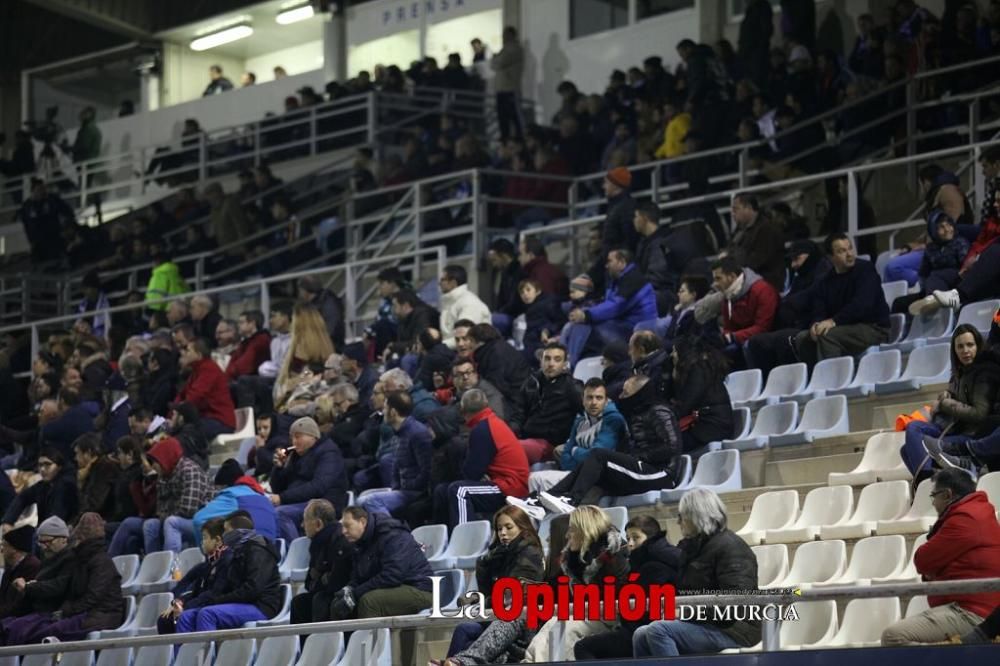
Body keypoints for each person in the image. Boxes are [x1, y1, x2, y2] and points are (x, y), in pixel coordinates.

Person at [444, 505, 628, 666]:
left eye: (571, 530)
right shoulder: (571, 559)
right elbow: (553, 590)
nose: (567, 535)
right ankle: (465, 661)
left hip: (605, 614)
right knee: (526, 616)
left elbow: (616, 594)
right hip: (572, 611)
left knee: (562, 625)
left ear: (584, 530)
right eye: (499, 528)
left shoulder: (612, 556)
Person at [525, 374, 681, 517]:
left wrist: (635, 457)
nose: (621, 397)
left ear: (640, 393)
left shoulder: (659, 411)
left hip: (661, 474)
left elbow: (672, 447)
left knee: (598, 455)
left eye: (626, 393)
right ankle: (548, 497)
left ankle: (571, 500)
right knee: (592, 463)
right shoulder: (633, 413)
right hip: (642, 469)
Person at [633, 488, 760, 657]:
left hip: (736, 630)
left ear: (696, 516)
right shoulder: (690, 549)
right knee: (640, 634)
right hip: (704, 624)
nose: (678, 522)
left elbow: (735, 605)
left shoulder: (732, 548)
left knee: (659, 630)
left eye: (681, 516)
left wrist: (685, 612)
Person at [882, 469, 1000, 645]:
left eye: (933, 496)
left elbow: (922, 560)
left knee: (893, 636)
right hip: (968, 607)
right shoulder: (976, 512)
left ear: (947, 495)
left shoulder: (965, 518)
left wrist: (934, 570)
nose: (933, 503)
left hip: (973, 613)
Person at [1, 513, 124, 645]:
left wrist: (65, 611)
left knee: (40, 632)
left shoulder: (99, 562)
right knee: (20, 628)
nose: (75, 543)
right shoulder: (82, 560)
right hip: (82, 613)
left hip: (99, 616)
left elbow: (91, 597)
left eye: (78, 539)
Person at [575, 515, 683, 659]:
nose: (630, 543)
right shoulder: (645, 562)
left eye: (636, 538)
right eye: (628, 538)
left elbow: (639, 606)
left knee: (583, 647)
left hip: (643, 631)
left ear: (650, 538)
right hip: (638, 628)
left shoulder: (653, 566)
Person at [444, 506, 546, 658]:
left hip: (521, 623)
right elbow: (488, 591)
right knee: (464, 630)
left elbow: (511, 596)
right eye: (499, 529)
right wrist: (485, 563)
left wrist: (479, 604)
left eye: (508, 527)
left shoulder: (530, 554)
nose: (503, 533)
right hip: (497, 617)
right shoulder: (500, 555)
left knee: (467, 635)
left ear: (522, 528)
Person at [902, 324, 1000, 479]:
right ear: (954, 351)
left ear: (978, 346)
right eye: (960, 346)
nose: (965, 351)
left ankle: (925, 481)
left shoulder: (984, 373)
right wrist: (947, 394)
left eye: (970, 345)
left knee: (915, 433)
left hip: (972, 435)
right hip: (955, 429)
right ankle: (928, 481)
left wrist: (945, 404)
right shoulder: (958, 374)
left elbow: (979, 414)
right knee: (908, 445)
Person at [434, 389, 529, 531]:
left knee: (460, 490)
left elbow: (471, 473)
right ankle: (445, 541)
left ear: (462, 410)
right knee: (442, 490)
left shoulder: (483, 429)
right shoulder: (491, 422)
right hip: (504, 482)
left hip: (510, 486)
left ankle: (466, 543)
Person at [793, 233, 890, 367]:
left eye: (850, 248)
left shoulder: (865, 269)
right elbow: (818, 309)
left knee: (828, 336)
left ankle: (833, 383)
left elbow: (862, 306)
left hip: (874, 327)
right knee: (803, 338)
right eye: (842, 251)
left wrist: (834, 321)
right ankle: (813, 380)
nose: (849, 254)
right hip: (844, 327)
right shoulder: (825, 281)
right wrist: (815, 325)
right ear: (830, 257)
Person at [173, 516, 282, 632]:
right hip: (240, 603)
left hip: (260, 606)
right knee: (186, 617)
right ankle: (184, 651)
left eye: (226, 530)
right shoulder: (237, 552)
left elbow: (252, 590)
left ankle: (207, 650)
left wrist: (218, 601)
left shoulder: (259, 551)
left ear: (238, 532)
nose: (224, 535)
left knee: (207, 614)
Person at [333, 506, 434, 618]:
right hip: (393, 588)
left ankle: (374, 636)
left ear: (362, 522)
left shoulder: (393, 534)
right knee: (339, 603)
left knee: (370, 601)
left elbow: (393, 575)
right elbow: (359, 577)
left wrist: (356, 593)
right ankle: (345, 636)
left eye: (347, 526)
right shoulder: (360, 543)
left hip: (420, 589)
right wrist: (349, 589)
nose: (343, 531)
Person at [564, 249, 657, 366]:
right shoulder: (617, 279)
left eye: (609, 261)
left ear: (621, 262)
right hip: (620, 324)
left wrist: (586, 315)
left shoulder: (633, 280)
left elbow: (615, 306)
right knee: (575, 325)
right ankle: (563, 358)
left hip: (633, 331)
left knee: (582, 324)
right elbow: (608, 303)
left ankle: (568, 364)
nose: (606, 265)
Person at [269, 416, 348, 542]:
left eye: (298, 436)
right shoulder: (296, 455)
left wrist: (282, 498)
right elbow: (278, 488)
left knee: (280, 514)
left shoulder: (329, 453)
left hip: (324, 504)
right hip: (301, 502)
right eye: (292, 437)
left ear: (313, 436)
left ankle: (297, 554)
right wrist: (279, 468)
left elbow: (318, 486)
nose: (294, 441)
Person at [356, 392, 433, 518]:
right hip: (403, 489)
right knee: (361, 500)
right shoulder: (398, 433)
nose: (383, 411)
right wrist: (396, 487)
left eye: (385, 408)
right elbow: (397, 465)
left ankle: (391, 532)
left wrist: (406, 486)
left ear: (393, 412)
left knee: (372, 501)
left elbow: (427, 471)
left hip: (416, 492)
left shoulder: (418, 434)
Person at [509, 342, 583, 464]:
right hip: (526, 439)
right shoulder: (531, 382)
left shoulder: (572, 387)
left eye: (557, 360)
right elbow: (518, 414)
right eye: (547, 359)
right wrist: (509, 434)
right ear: (541, 361)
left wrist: (571, 443)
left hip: (550, 444)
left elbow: (590, 414)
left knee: (510, 449)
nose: (551, 364)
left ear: (565, 364)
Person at [290, 499, 354, 624]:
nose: (302, 525)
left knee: (320, 599)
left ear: (318, 524)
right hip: (326, 593)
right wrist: (321, 580)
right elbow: (310, 583)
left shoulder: (340, 541)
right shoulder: (317, 544)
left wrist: (320, 580)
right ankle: (304, 644)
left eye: (305, 520)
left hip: (345, 593)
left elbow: (335, 581)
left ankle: (324, 642)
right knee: (299, 602)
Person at [671, 337, 735, 454]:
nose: (672, 355)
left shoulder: (699, 370)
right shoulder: (701, 367)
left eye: (675, 351)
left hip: (712, 427)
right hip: (708, 424)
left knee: (669, 446)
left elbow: (685, 404)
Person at [710, 256, 778, 365]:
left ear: (732, 276)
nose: (715, 284)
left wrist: (732, 337)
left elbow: (763, 327)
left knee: (748, 346)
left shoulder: (762, 290)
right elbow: (728, 327)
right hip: (741, 340)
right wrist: (725, 337)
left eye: (718, 278)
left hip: (763, 340)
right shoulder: (727, 297)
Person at [192, 459, 278, 544]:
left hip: (247, 552)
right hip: (271, 552)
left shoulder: (232, 495)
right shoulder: (263, 498)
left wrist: (207, 549)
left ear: (225, 486)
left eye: (217, 489)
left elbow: (199, 520)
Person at [175, 338, 236, 441]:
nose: (184, 354)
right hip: (205, 418)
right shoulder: (197, 370)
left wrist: (179, 412)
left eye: (188, 350)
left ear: (199, 355)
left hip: (219, 420)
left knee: (187, 433)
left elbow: (195, 396)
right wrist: (174, 411)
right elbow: (183, 394)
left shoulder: (209, 369)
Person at [1, 448, 78, 530]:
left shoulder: (66, 486)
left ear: (59, 467)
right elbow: (23, 497)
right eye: (40, 465)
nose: (42, 469)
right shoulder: (43, 486)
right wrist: (8, 521)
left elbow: (56, 517)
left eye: (47, 464)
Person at [724, 193, 785, 291]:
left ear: (748, 208)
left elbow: (756, 261)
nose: (733, 213)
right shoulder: (741, 228)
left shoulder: (767, 229)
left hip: (764, 283)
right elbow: (730, 248)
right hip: (744, 279)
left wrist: (731, 261)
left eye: (736, 209)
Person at [467, 323, 532, 412]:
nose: (468, 344)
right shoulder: (499, 348)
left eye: (470, 340)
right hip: (521, 398)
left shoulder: (493, 354)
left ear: (478, 341)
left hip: (514, 405)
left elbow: (495, 386)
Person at [439, 265, 491, 349]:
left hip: (471, 351)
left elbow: (466, 336)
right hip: (453, 349)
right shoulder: (450, 302)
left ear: (453, 283)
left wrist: (438, 347)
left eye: (442, 280)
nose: (439, 283)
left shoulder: (469, 302)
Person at [73, 432, 120, 520]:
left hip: (106, 519)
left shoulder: (105, 468)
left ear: (88, 453)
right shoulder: (92, 469)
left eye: (77, 453)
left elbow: (93, 505)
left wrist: (80, 484)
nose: (75, 458)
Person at [491, 26, 524, 141]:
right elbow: (494, 64)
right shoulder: (505, 49)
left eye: (505, 35)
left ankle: (518, 140)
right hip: (502, 89)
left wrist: (495, 58)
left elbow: (499, 63)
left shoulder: (513, 49)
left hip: (510, 89)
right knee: (503, 119)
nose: (503, 37)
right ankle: (506, 141)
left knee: (513, 118)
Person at [487, 238, 525, 335]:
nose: (493, 264)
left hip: (517, 315)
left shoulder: (519, 272)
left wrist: (500, 312)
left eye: (494, 260)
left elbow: (516, 302)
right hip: (506, 313)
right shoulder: (505, 273)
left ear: (503, 256)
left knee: (488, 320)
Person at [0, 526, 40, 618]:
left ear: (14, 549)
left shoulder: (32, 567)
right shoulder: (10, 567)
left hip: (18, 619)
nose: (1, 550)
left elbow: (20, 605)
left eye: (4, 545)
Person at [601, 167, 638, 258]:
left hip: (620, 261)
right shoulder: (615, 205)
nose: (603, 186)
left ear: (615, 185)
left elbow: (629, 238)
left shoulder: (626, 206)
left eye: (606, 183)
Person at [226, 310, 271, 380]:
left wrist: (227, 374)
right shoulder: (246, 341)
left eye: (241, 322)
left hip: (254, 382)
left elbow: (244, 365)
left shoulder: (261, 340)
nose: (238, 326)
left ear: (252, 323)